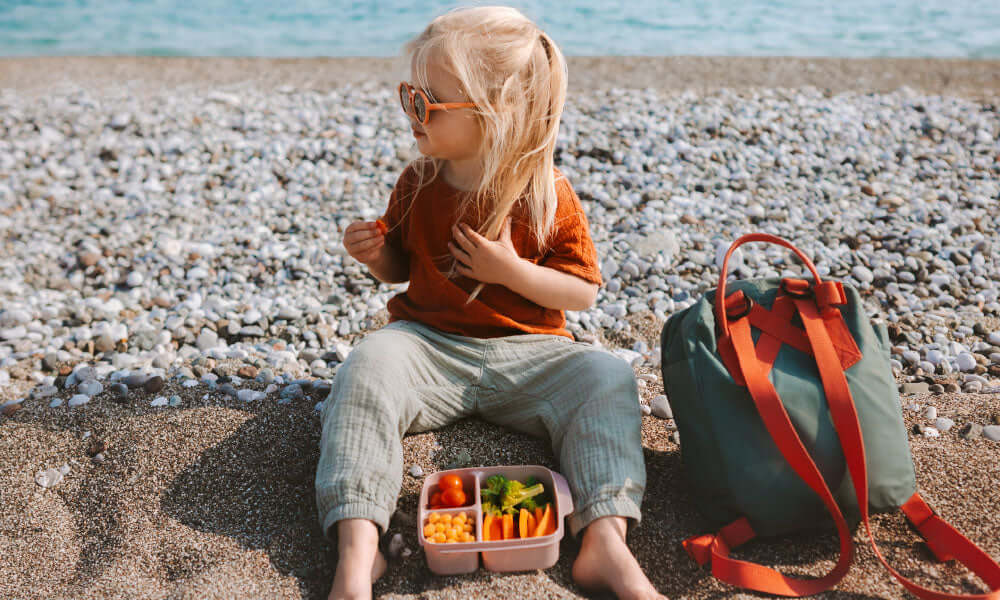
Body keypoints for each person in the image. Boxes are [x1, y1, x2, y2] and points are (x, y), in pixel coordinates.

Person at [317, 6, 665, 600]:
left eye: (427, 103)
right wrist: (376, 256)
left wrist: (513, 271)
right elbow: (402, 268)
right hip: (430, 347)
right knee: (368, 365)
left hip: (532, 353)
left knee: (606, 375)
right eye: (409, 96)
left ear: (495, 111)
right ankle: (358, 553)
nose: (411, 113)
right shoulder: (420, 181)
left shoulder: (545, 192)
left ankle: (605, 542)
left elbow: (580, 290)